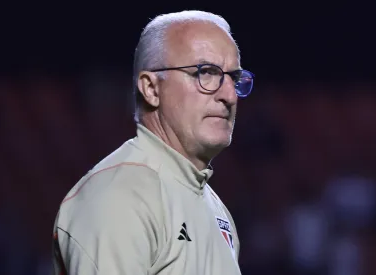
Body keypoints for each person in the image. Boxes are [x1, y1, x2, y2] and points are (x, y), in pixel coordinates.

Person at [51, 10, 254, 275]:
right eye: (207, 73)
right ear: (151, 88)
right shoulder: (120, 196)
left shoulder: (215, 209)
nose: (229, 94)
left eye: (234, 78)